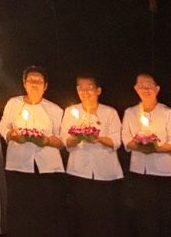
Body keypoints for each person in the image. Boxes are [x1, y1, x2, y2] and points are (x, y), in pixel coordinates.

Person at [0, 66, 65, 237]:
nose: (34, 84)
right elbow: (3, 125)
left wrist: (47, 140)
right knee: (20, 210)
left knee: (46, 211)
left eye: (39, 81)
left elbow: (61, 140)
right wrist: (11, 135)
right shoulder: (14, 103)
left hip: (47, 167)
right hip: (19, 165)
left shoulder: (55, 109)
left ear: (45, 86)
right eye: (31, 81)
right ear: (24, 83)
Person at [123, 73, 171, 237]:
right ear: (135, 88)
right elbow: (126, 141)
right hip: (140, 172)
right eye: (141, 85)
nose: (145, 89)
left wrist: (155, 148)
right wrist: (139, 145)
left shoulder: (169, 113)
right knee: (144, 216)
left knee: (168, 216)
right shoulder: (130, 113)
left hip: (165, 173)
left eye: (149, 85)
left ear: (157, 89)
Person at [62, 74, 122, 237]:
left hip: (106, 173)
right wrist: (78, 137)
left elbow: (117, 141)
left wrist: (98, 138)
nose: (85, 91)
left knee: (107, 217)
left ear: (98, 90)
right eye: (81, 87)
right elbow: (65, 141)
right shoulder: (70, 111)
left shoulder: (109, 112)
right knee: (82, 216)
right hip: (79, 171)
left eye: (89, 87)